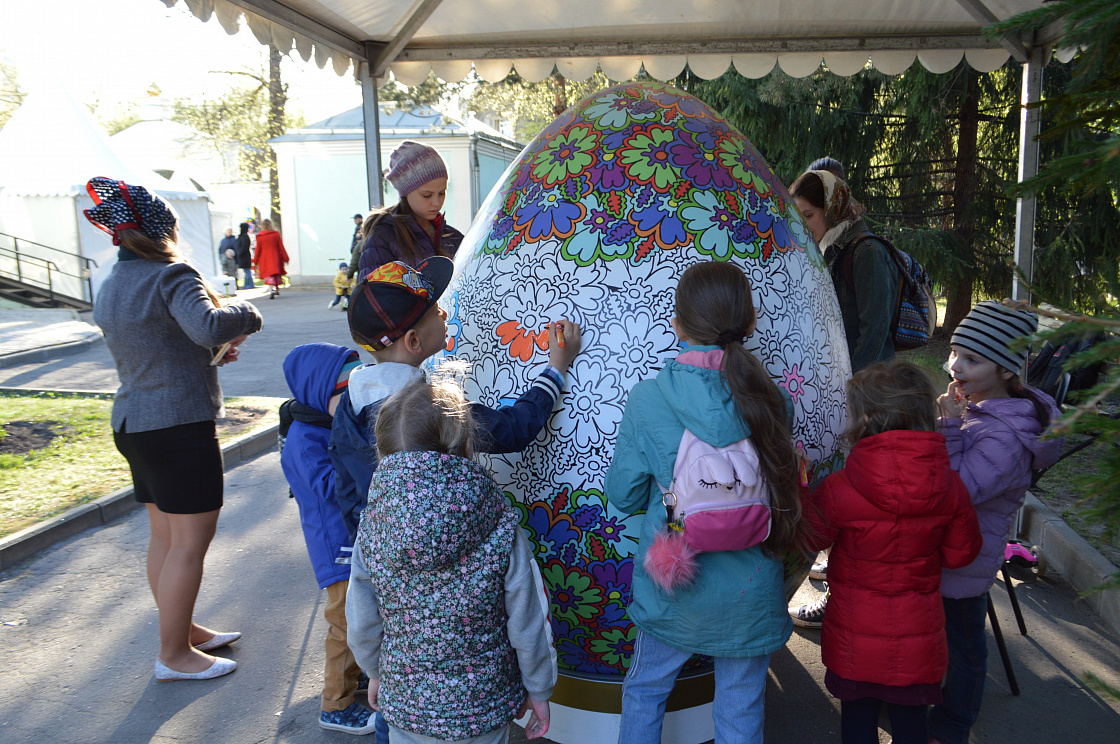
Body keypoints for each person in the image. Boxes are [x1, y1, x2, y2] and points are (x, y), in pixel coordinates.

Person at [604, 261, 803, 744]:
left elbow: (623, 495)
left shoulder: (648, 399)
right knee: (740, 706)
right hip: (750, 591)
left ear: (677, 325)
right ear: (750, 325)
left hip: (675, 585)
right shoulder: (773, 401)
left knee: (646, 692)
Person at [84, 177, 263, 681]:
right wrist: (247, 314)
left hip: (133, 422)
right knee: (190, 541)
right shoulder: (171, 274)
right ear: (164, 230)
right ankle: (174, 655)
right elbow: (207, 325)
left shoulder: (112, 283)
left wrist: (206, 356)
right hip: (178, 426)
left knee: (163, 535)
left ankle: (182, 631)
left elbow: (160, 343)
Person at [346, 377, 557, 744]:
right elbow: (529, 618)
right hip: (484, 708)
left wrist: (373, 671)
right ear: (466, 443)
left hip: (408, 705)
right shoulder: (497, 520)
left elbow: (362, 617)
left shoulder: (374, 524)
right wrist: (539, 690)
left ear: (383, 450)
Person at [329, 257, 582, 543]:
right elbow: (515, 429)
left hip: (387, 560)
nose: (445, 314)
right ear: (413, 341)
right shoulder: (432, 407)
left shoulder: (347, 406)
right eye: (436, 311)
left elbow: (347, 490)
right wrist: (557, 366)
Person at [800, 360, 982, 744]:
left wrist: (800, 488)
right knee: (913, 728)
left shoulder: (840, 487)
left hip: (854, 640)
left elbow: (808, 538)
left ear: (864, 420)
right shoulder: (949, 485)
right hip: (920, 642)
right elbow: (960, 555)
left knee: (858, 726)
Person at [928, 301, 1061, 744]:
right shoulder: (983, 409)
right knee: (948, 636)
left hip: (966, 558)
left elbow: (958, 490)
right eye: (954, 353)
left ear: (1007, 370)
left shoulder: (1003, 432)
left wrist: (947, 427)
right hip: (955, 547)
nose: (955, 366)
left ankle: (954, 723)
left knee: (965, 647)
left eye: (972, 359)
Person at [788, 167, 899, 628]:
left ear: (832, 207)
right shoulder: (833, 250)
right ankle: (835, 571)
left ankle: (840, 595)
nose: (805, 225)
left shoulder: (866, 251)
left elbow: (876, 329)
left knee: (858, 496)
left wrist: (852, 394)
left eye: (809, 215)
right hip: (848, 390)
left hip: (868, 395)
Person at [280, 343, 389, 738]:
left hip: (352, 538)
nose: (354, 401)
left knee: (365, 613)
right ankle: (336, 705)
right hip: (335, 547)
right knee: (344, 622)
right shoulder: (303, 439)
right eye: (345, 394)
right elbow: (328, 486)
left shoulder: (326, 425)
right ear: (318, 393)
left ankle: (356, 676)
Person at [355, 141, 464, 282]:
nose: (437, 202)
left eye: (442, 193)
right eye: (427, 195)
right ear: (405, 192)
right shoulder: (383, 238)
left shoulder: (453, 237)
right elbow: (375, 299)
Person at [254, 218, 289, 299]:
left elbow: (257, 250)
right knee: (275, 273)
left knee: (269, 274)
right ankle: (276, 289)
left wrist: (255, 262)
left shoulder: (260, 236)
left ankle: (271, 288)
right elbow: (281, 247)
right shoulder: (276, 234)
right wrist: (285, 258)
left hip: (264, 259)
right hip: (275, 257)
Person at [235, 222, 255, 289]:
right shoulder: (244, 236)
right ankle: (249, 284)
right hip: (245, 256)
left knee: (247, 271)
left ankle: (248, 284)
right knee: (247, 271)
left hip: (244, 256)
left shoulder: (244, 237)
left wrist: (239, 252)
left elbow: (244, 247)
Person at [346, 213, 365, 281]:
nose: (355, 220)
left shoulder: (361, 227)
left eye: (356, 219)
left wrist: (349, 275)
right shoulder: (358, 227)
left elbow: (354, 262)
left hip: (359, 255)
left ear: (360, 219)